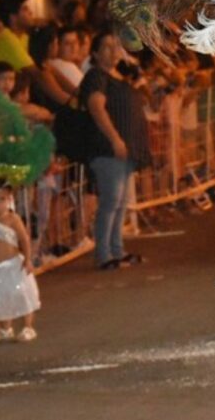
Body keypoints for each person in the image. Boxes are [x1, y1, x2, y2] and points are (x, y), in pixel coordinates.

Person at [79, 31, 152, 270]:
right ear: (96, 53)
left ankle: (116, 249)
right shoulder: (96, 76)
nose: (114, 51)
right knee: (111, 201)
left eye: (115, 46)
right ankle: (104, 253)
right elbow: (96, 107)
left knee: (120, 202)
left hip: (124, 147)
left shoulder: (118, 76)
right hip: (107, 147)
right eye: (107, 47)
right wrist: (115, 139)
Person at [0, 175, 40, 342]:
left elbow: (24, 239)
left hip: (14, 266)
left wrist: (27, 259)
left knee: (22, 295)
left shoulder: (12, 219)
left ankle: (28, 327)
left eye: (2, 199)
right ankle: (6, 328)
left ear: (9, 199)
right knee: (1, 298)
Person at [0, 0, 35, 71]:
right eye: (25, 9)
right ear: (13, 17)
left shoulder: (24, 37)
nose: (31, 12)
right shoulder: (6, 38)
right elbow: (34, 72)